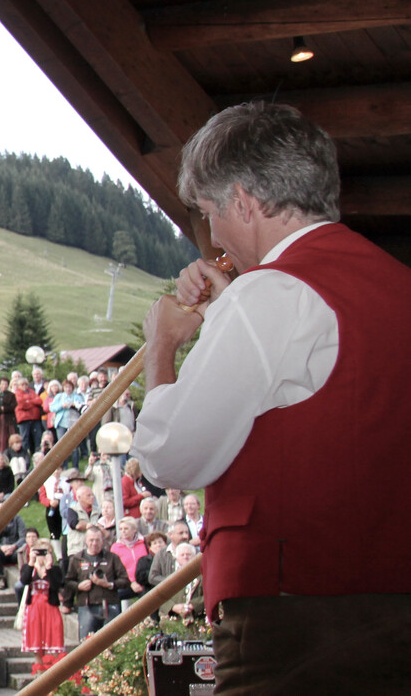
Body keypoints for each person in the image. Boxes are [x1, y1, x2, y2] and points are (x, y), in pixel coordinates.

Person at [134, 102, 411, 694]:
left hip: (297, 618)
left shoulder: (268, 296)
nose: (214, 236)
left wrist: (161, 349)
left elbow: (171, 458)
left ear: (244, 202)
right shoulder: (397, 282)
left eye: (210, 214)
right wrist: (225, 317)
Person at [61, 527, 128, 638]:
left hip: (109, 604)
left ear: (102, 541)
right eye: (91, 540)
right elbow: (68, 582)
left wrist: (109, 584)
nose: (94, 543)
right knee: (86, 643)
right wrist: (79, 586)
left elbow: (125, 581)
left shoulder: (112, 558)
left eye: (97, 540)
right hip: (86, 606)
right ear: (86, 541)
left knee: (111, 640)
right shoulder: (77, 559)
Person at [18, 540, 67, 674]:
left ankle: (53, 675)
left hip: (50, 609)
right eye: (39, 552)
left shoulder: (55, 570)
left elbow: (56, 585)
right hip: (34, 609)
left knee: (53, 643)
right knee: (37, 645)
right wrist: (31, 562)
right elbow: (24, 581)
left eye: (45, 552)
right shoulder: (30, 569)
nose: (42, 556)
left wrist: (49, 567)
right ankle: (39, 674)